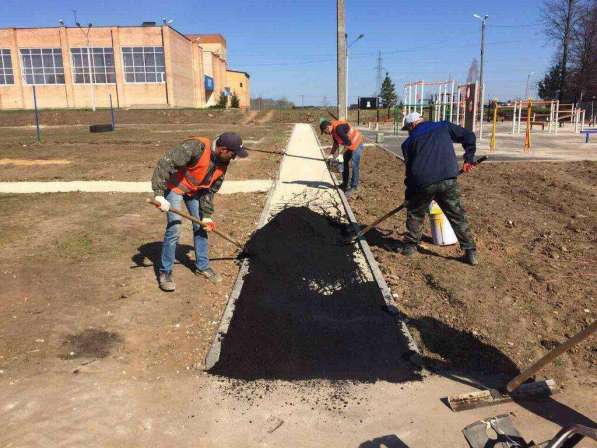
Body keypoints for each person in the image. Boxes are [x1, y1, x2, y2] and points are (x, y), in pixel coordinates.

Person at [151, 132, 248, 291]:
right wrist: (159, 195)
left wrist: (207, 216)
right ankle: (165, 272)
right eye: (232, 154)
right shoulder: (196, 147)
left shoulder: (223, 162)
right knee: (175, 227)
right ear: (223, 149)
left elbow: (211, 190)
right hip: (174, 188)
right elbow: (165, 163)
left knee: (202, 226)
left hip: (195, 192)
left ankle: (202, 266)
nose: (233, 158)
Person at [400, 112, 479, 266]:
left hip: (423, 183)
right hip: (448, 179)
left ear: (412, 125)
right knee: (457, 215)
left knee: (416, 214)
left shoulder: (408, 144)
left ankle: (410, 247)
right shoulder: (443, 126)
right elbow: (469, 136)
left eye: (408, 129)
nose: (408, 132)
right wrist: (469, 158)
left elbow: (410, 174)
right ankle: (470, 252)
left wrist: (409, 197)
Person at [320, 119, 364, 197]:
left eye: (325, 132)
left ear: (327, 127)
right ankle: (345, 183)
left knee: (354, 164)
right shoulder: (333, 131)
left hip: (357, 142)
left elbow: (347, 142)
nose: (326, 134)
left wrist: (340, 154)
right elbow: (336, 143)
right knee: (344, 162)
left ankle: (354, 187)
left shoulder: (338, 128)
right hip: (351, 144)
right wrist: (331, 154)